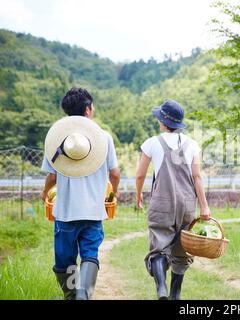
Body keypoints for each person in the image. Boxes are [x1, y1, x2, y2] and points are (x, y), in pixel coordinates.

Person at [40, 87, 120, 300]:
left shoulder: (56, 140)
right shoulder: (104, 138)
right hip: (94, 212)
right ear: (87, 110)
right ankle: (83, 295)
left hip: (65, 213)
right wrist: (114, 193)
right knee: (89, 255)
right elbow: (115, 173)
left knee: (65, 261)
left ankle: (71, 296)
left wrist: (44, 193)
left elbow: (52, 177)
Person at [136, 99, 211, 300]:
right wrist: (204, 206)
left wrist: (138, 195)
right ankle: (175, 294)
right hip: (187, 204)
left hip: (162, 203)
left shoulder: (152, 143)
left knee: (159, 248)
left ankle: (161, 287)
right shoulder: (192, 145)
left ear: (162, 121)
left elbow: (140, 175)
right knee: (182, 250)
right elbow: (197, 177)